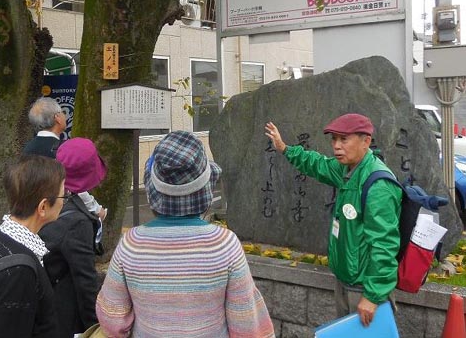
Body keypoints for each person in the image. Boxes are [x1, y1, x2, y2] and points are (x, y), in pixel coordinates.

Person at [96, 130, 274, 337]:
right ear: (204, 191)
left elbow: (111, 318)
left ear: (154, 190)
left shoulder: (131, 244)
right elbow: (246, 324)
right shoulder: (224, 244)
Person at [265, 113, 402, 327]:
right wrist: (284, 148)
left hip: (364, 290)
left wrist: (373, 296)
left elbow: (384, 246)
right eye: (334, 139)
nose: (337, 146)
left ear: (366, 141)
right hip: (346, 281)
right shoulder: (347, 169)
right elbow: (316, 164)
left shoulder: (378, 186)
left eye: (344, 139)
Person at [0, 155, 66, 338]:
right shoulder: (18, 272)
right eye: (64, 195)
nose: (64, 201)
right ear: (43, 206)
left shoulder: (1, 237)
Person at [38, 138, 107, 338]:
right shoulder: (76, 223)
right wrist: (95, 330)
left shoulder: (45, 194)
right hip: (62, 315)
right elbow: (85, 283)